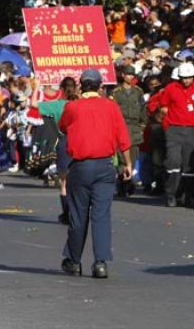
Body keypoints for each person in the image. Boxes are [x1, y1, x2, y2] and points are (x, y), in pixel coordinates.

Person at [58, 69, 131, 279]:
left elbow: (63, 126)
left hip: (81, 166)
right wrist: (128, 164)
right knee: (101, 215)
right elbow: (123, 137)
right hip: (105, 166)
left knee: (78, 216)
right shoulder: (111, 106)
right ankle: (100, 263)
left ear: (82, 86)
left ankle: (74, 260)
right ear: (100, 87)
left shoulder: (72, 107)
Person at [158, 62, 194, 208]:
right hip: (174, 129)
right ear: (179, 77)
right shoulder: (171, 88)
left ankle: (186, 195)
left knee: (189, 165)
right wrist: (173, 118)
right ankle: (171, 194)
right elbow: (163, 107)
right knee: (173, 161)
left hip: (192, 130)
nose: (186, 80)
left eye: (189, 77)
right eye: (184, 77)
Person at [35, 77, 78, 224]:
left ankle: (66, 214)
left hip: (64, 142)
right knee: (80, 181)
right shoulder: (80, 104)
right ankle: (78, 211)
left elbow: (34, 104)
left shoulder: (57, 105)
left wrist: (37, 87)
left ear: (61, 90)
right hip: (81, 142)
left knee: (64, 182)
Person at [111, 66, 146, 197]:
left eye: (132, 75)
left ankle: (129, 181)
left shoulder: (138, 92)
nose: (130, 77)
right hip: (122, 125)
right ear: (123, 75)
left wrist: (143, 125)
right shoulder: (116, 92)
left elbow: (143, 109)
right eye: (128, 75)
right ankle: (122, 182)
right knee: (121, 157)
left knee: (133, 155)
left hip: (135, 127)